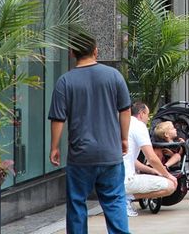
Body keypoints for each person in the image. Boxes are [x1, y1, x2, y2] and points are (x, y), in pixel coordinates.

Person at [48, 32, 132, 234]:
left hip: (81, 156)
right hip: (110, 154)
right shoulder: (114, 76)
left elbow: (58, 118)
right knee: (115, 201)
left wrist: (54, 147)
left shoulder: (65, 82)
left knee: (77, 203)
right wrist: (123, 138)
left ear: (71, 53)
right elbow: (126, 110)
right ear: (96, 51)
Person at [123, 103, 177, 216]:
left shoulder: (122, 124)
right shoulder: (139, 126)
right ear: (141, 113)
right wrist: (168, 175)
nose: (148, 118)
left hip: (113, 179)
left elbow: (131, 159)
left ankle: (122, 198)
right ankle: (125, 199)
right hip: (126, 180)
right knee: (171, 185)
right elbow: (151, 158)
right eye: (147, 115)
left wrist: (152, 171)